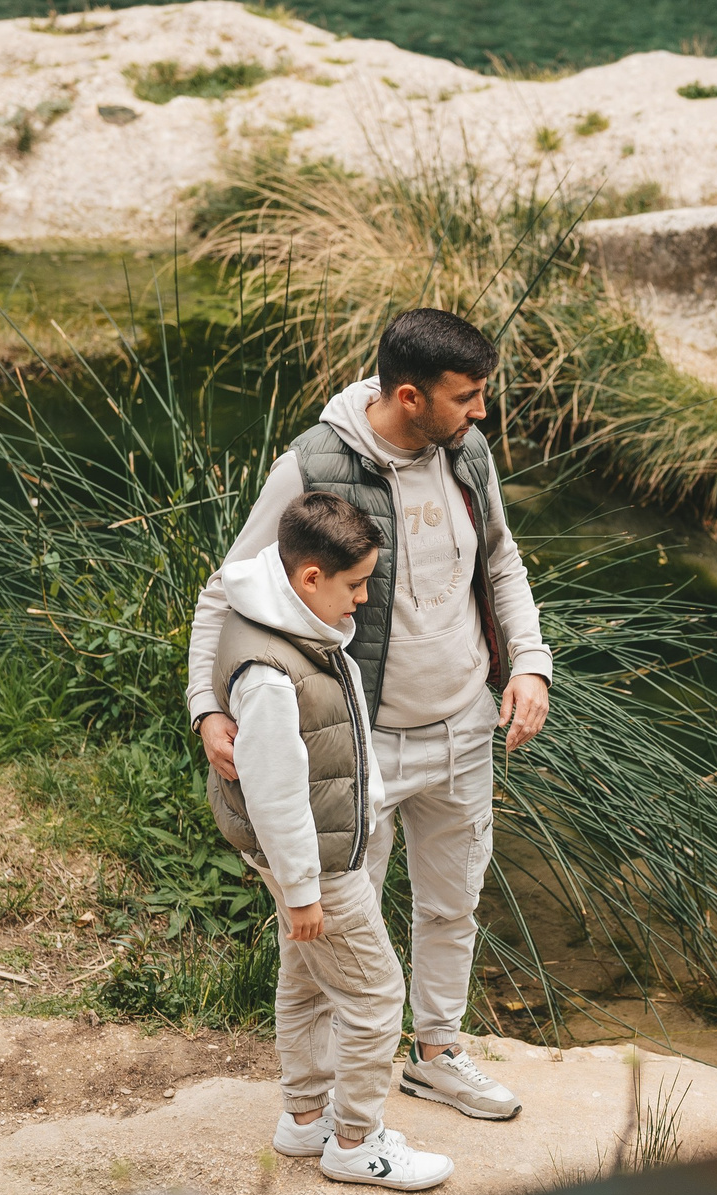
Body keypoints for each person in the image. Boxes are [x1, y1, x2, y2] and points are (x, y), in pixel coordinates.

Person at [189, 308, 550, 1124]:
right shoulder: (314, 462)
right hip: (361, 745)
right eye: (469, 396)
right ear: (411, 395)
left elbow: (500, 559)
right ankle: (312, 1110)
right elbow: (227, 587)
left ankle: (439, 1053)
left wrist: (529, 662)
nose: (482, 412)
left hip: (464, 726)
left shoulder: (469, 453)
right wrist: (206, 704)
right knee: (327, 926)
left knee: (453, 898)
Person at [211, 490, 454, 1190]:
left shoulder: (275, 613)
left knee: (306, 977)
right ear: (310, 577)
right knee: (377, 993)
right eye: (355, 584)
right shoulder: (270, 674)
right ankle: (355, 1140)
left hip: (312, 848)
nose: (365, 598)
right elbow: (277, 794)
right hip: (315, 857)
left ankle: (304, 1114)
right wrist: (303, 889)